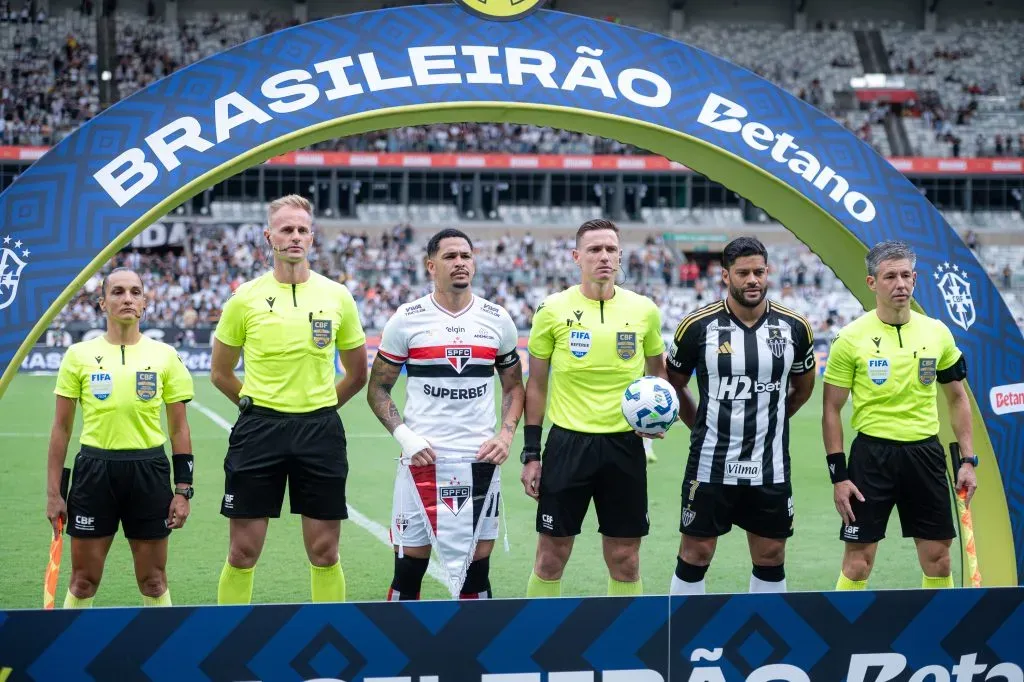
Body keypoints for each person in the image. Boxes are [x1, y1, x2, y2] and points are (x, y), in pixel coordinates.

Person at [210, 194, 368, 605]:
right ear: (269, 237)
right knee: (242, 552)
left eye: (302, 230)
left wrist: (320, 406)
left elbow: (357, 374)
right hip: (258, 430)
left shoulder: (337, 296)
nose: (295, 236)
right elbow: (221, 373)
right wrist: (254, 406)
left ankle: (329, 633)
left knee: (325, 551)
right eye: (286, 229)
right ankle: (230, 636)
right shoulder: (244, 298)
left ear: (312, 238)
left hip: (320, 431)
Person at [366, 228, 525, 600]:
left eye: (466, 256)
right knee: (408, 569)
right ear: (431, 266)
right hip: (422, 461)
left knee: (476, 572)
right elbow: (377, 389)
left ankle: (475, 640)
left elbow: (514, 386)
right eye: (450, 256)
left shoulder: (496, 318)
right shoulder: (407, 318)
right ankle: (401, 640)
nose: (460, 263)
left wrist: (505, 435)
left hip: (479, 461)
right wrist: (406, 438)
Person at [520, 219, 666, 597]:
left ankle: (624, 634)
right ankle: (539, 633)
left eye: (611, 249)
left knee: (625, 558)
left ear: (620, 256)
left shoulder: (644, 310)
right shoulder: (552, 309)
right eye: (594, 249)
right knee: (550, 557)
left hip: (624, 446)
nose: (604, 256)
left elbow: (658, 375)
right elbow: (536, 385)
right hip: (567, 444)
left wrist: (658, 418)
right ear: (576, 257)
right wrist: (531, 454)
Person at [665, 237, 816, 595]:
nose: (753, 280)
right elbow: (674, 383)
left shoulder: (794, 326)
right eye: (743, 273)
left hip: (770, 465)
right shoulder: (697, 325)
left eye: (759, 272)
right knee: (696, 552)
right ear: (725, 276)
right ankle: (685, 630)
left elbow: (803, 388)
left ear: (768, 272)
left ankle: (765, 632)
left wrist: (773, 418)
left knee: (771, 554)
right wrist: (701, 425)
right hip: (710, 462)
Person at [823, 240, 978, 590]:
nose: (900, 284)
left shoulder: (937, 333)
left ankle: (937, 624)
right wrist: (838, 476)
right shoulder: (850, 338)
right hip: (871, 457)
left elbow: (958, 399)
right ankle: (842, 625)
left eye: (906, 276)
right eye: (890, 276)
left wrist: (968, 460)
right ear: (872, 283)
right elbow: (831, 409)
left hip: (925, 454)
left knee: (939, 559)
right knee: (858, 563)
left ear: (915, 278)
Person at [46, 267, 194, 608]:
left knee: (153, 581)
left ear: (144, 302)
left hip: (149, 470)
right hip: (94, 471)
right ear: (102, 303)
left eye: (135, 292)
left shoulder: (165, 356)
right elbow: (61, 429)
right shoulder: (78, 356)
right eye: (118, 292)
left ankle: (160, 642)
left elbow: (179, 429)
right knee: (83, 581)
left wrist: (183, 490)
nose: (127, 298)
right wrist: (54, 493)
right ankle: (70, 642)